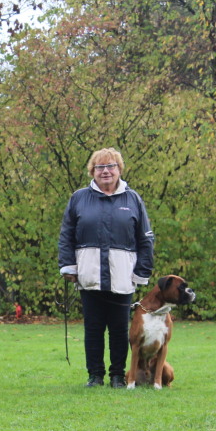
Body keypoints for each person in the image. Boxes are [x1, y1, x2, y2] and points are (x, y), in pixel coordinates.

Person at [58, 147, 155, 388]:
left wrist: (142, 271)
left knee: (119, 329)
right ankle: (95, 375)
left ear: (119, 169)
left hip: (122, 276)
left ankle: (117, 375)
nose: (106, 171)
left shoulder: (133, 199)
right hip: (88, 275)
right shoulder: (79, 198)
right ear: (92, 171)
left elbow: (145, 238)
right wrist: (68, 267)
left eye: (111, 166)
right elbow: (66, 235)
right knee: (93, 328)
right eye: (100, 167)